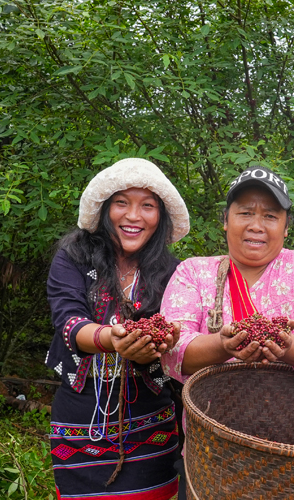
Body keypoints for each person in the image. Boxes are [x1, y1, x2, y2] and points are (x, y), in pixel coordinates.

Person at [160, 165, 294, 498]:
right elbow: (172, 350)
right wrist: (223, 345)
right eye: (245, 212)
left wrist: (289, 347)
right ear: (226, 220)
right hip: (210, 455)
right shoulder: (194, 273)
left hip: (291, 456)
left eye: (270, 216)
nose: (256, 226)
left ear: (286, 228)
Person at [45, 158, 190, 500]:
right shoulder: (73, 258)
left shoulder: (174, 271)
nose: (133, 216)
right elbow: (69, 321)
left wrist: (167, 341)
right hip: (82, 416)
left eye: (147, 206)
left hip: (151, 416)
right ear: (105, 209)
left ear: (160, 216)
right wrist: (111, 338)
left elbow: (181, 327)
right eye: (122, 203)